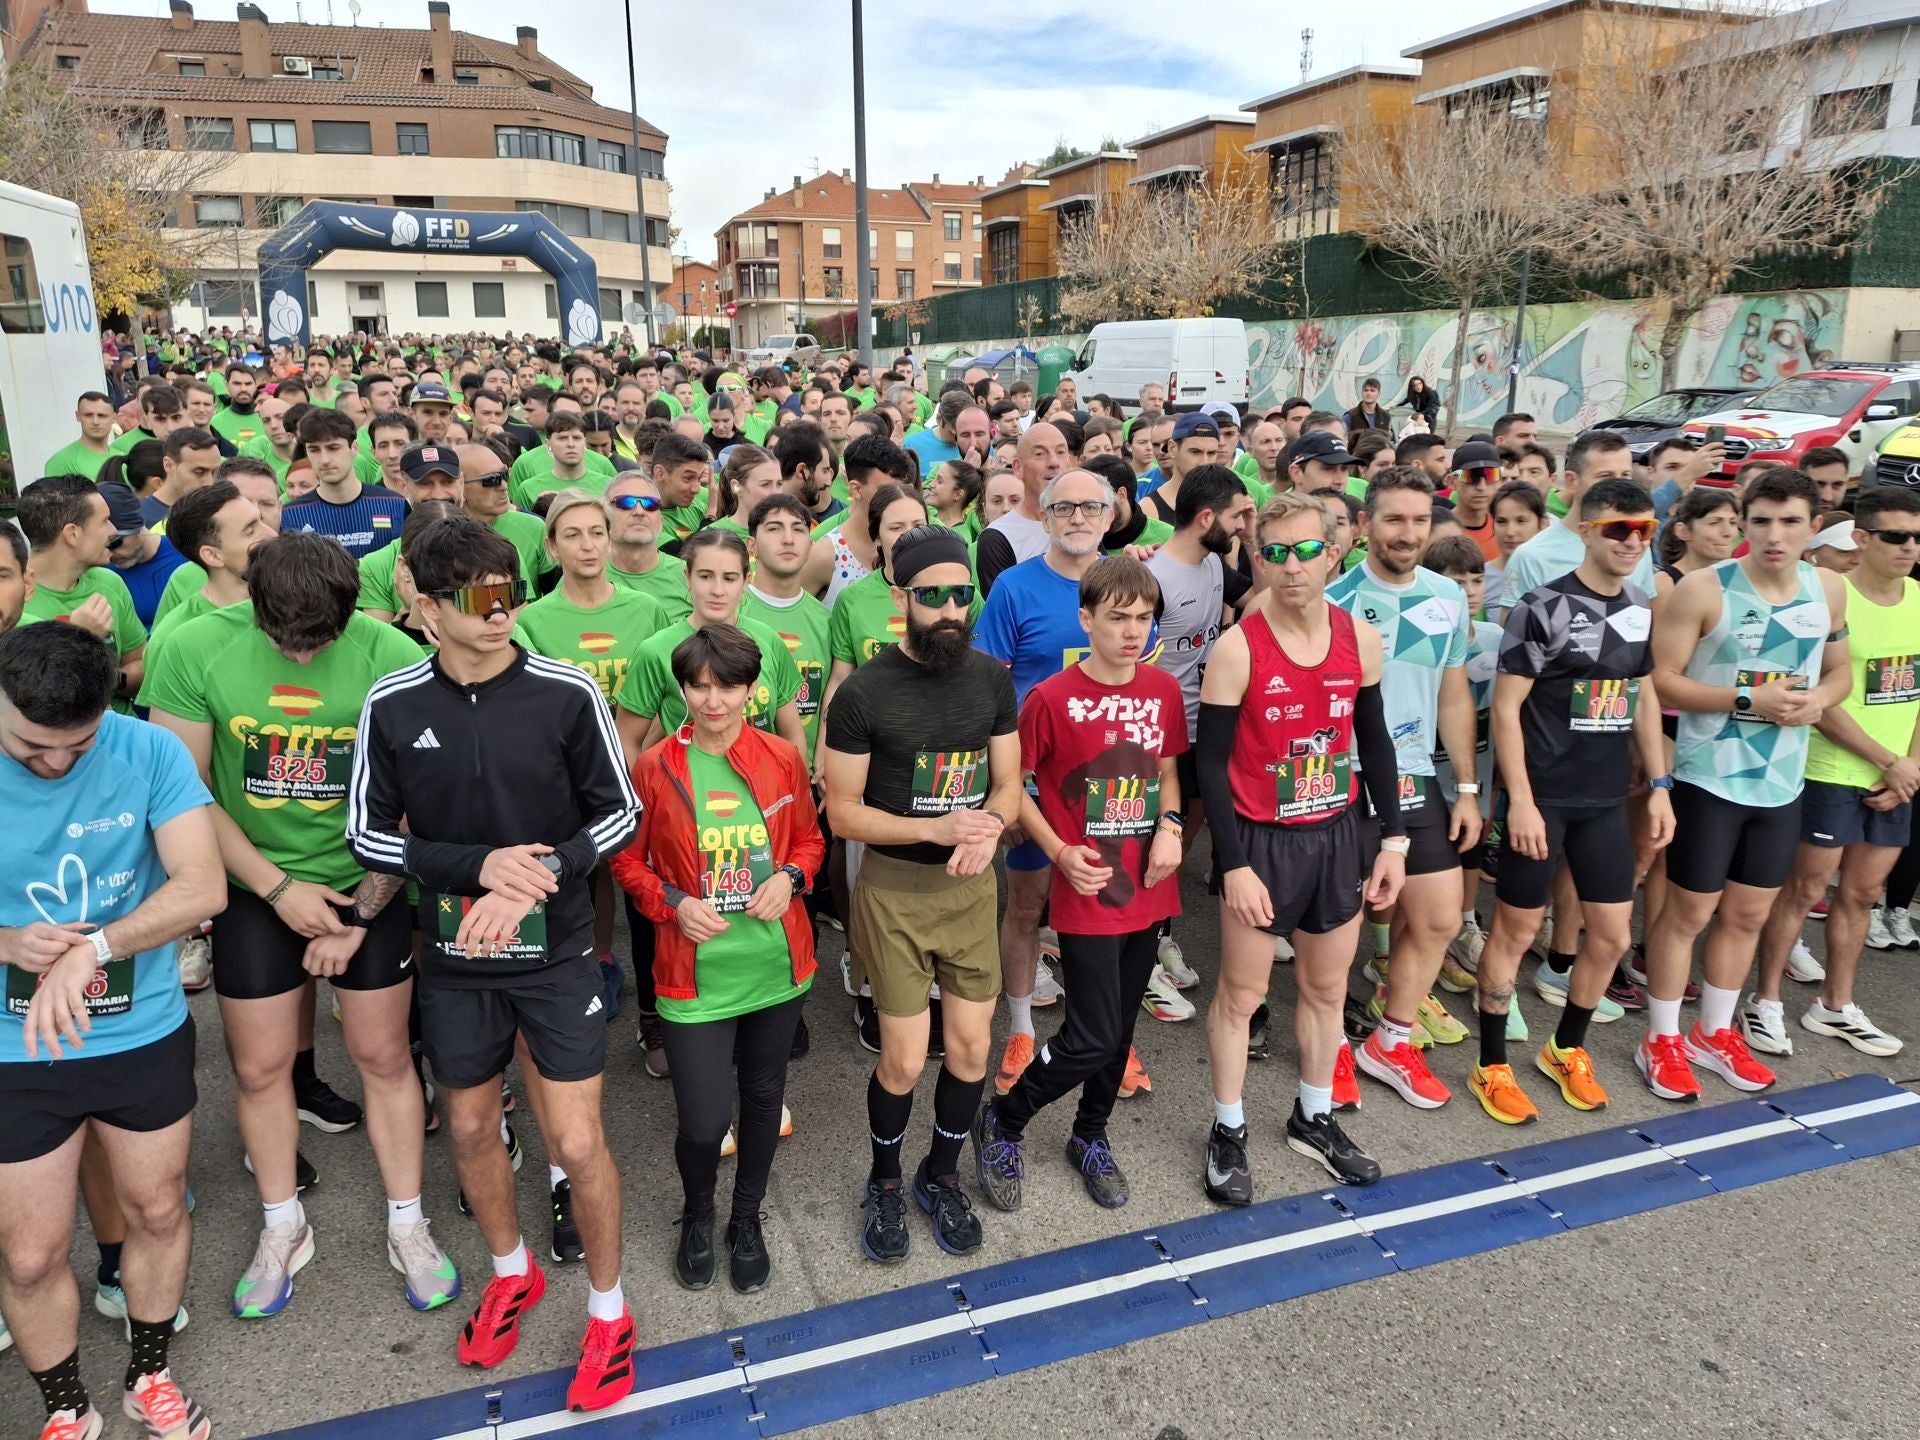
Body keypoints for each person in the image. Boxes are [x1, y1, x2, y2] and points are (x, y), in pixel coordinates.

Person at [345, 516, 640, 1412]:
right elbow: (364, 831)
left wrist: (539, 873)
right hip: (452, 955)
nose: (499, 611)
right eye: (475, 597)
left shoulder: (566, 691)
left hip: (554, 954)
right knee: (471, 1131)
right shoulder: (393, 702)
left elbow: (619, 814)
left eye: (508, 590)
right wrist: (475, 868)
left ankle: (610, 1310)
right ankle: (511, 1274)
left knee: (577, 1140)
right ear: (425, 606)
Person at [142, 532, 450, 1318]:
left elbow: (422, 799)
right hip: (254, 880)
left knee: (383, 1058)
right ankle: (283, 1225)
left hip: (366, 874)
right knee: (257, 1068)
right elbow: (186, 792)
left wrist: (363, 913)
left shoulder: (391, 650)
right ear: (251, 603)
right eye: (288, 643)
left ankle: (407, 1222)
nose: (306, 659)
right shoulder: (190, 647)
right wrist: (277, 890)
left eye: (324, 643)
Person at [0, 621, 224, 1440]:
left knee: (158, 1211)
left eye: (78, 746)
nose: (56, 763)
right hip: (13, 1048)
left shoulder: (149, 751)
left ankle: (150, 1372)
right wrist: (7, 945)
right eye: (31, 749)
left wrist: (93, 948)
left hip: (139, 1031)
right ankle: (65, 1407)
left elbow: (202, 888)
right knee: (28, 1255)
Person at [1199, 493, 1407, 1194]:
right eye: (1276, 553)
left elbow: (1373, 742)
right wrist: (1232, 864)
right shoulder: (1237, 648)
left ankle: (1312, 1117)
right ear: (1258, 559)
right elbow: (1210, 765)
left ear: (1334, 553)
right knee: (1242, 994)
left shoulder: (1361, 637)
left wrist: (1394, 840)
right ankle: (1227, 1129)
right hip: (1262, 841)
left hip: (1337, 834)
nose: (1292, 567)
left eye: (1306, 550)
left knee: (1325, 987)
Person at [824, 525, 1021, 1261]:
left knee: (972, 1048)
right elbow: (842, 812)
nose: (947, 608)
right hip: (895, 890)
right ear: (901, 595)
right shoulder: (864, 692)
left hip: (972, 888)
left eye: (960, 594)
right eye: (931, 594)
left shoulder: (990, 679)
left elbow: (1008, 785)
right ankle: (883, 1181)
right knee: (905, 1058)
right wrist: (937, 830)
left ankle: (940, 1176)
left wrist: (989, 826)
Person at [612, 625, 823, 1293]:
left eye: (727, 686)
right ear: (682, 689)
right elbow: (626, 860)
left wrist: (788, 879)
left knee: (764, 1102)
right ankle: (698, 1214)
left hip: (774, 968)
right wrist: (672, 902)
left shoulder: (783, 758)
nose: (712, 700)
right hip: (693, 974)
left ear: (751, 690)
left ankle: (746, 1217)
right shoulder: (655, 767)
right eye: (698, 686)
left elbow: (812, 843)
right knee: (703, 1123)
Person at [972, 557, 1187, 1212]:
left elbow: (1168, 771)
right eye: (1116, 617)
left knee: (1119, 1032)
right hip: (1090, 883)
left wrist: (1174, 825)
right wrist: (1060, 852)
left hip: (1147, 880)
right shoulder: (1050, 698)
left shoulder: (1162, 690)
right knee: (1089, 1034)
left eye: (1143, 618)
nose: (1131, 631)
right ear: (1086, 618)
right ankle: (1004, 1120)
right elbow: (1017, 787)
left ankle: (1090, 1134)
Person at [1639, 468, 1853, 1101]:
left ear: (1816, 526)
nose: (1773, 536)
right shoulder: (1704, 590)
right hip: (1710, 777)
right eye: (1760, 521)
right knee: (1689, 914)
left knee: (1749, 913)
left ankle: (1713, 1032)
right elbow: (1662, 681)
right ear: (1743, 523)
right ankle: (1662, 1038)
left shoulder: (1831, 589)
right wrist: (1745, 700)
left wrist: (1819, 702)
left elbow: (1838, 669)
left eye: (1790, 522)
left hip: (1783, 782)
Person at [1467, 480, 1674, 1124]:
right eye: (1618, 528)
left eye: (1643, 529)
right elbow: (1505, 710)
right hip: (1544, 799)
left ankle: (1566, 1049)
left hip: (1606, 801)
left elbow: (1640, 696)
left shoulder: (1641, 606)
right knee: (1517, 930)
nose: (1632, 541)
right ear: (1585, 530)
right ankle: (1492, 1063)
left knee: (1610, 938)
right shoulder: (1541, 606)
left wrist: (1660, 785)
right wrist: (1520, 801)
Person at [1747, 488, 1919, 1058]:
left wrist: (1910, 767)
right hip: (1830, 768)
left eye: (1916, 537)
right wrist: (1886, 761)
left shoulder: (1919, 599)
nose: (1909, 547)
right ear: (1862, 540)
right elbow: (1819, 696)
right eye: (1895, 536)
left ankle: (1835, 1005)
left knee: (1864, 893)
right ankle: (1765, 1001)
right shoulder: (1828, 596)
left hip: (1897, 777)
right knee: (1803, 889)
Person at [1328, 469, 1481, 1107]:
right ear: (1366, 527)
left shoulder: (1450, 597)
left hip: (1415, 775)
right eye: (1394, 520)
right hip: (1342, 776)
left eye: (1419, 521)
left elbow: (1453, 693)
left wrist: (1468, 787)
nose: (1407, 533)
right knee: (1338, 927)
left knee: (1440, 917)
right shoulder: (1332, 599)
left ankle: (1390, 1041)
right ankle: (1330, 1043)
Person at [613, 528, 806, 762]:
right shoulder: (655, 650)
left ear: (746, 580)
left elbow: (791, 733)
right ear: (687, 576)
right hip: (687, 789)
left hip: (763, 789)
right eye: (705, 576)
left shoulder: (768, 639)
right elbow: (627, 741)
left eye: (729, 578)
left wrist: (798, 792)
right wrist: (643, 796)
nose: (717, 590)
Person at [16, 477, 147, 715]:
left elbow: (141, 666)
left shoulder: (110, 582)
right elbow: (27, 697)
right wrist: (79, 640)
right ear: (72, 534)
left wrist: (107, 677)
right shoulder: (11, 600)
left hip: (120, 731)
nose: (113, 531)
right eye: (105, 521)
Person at [278, 409, 408, 560]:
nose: (324, 459)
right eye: (314, 450)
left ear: (354, 448)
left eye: (333, 448)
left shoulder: (394, 504)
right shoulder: (292, 515)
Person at [976, 423, 1070, 592]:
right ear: (1018, 467)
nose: (1054, 462)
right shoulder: (998, 537)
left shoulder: (1085, 520)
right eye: (1040, 454)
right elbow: (1009, 608)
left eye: (1061, 452)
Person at [605, 470, 691, 623]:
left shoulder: (690, 576)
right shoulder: (584, 576)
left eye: (650, 504)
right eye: (625, 502)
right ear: (604, 517)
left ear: (661, 522)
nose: (639, 511)